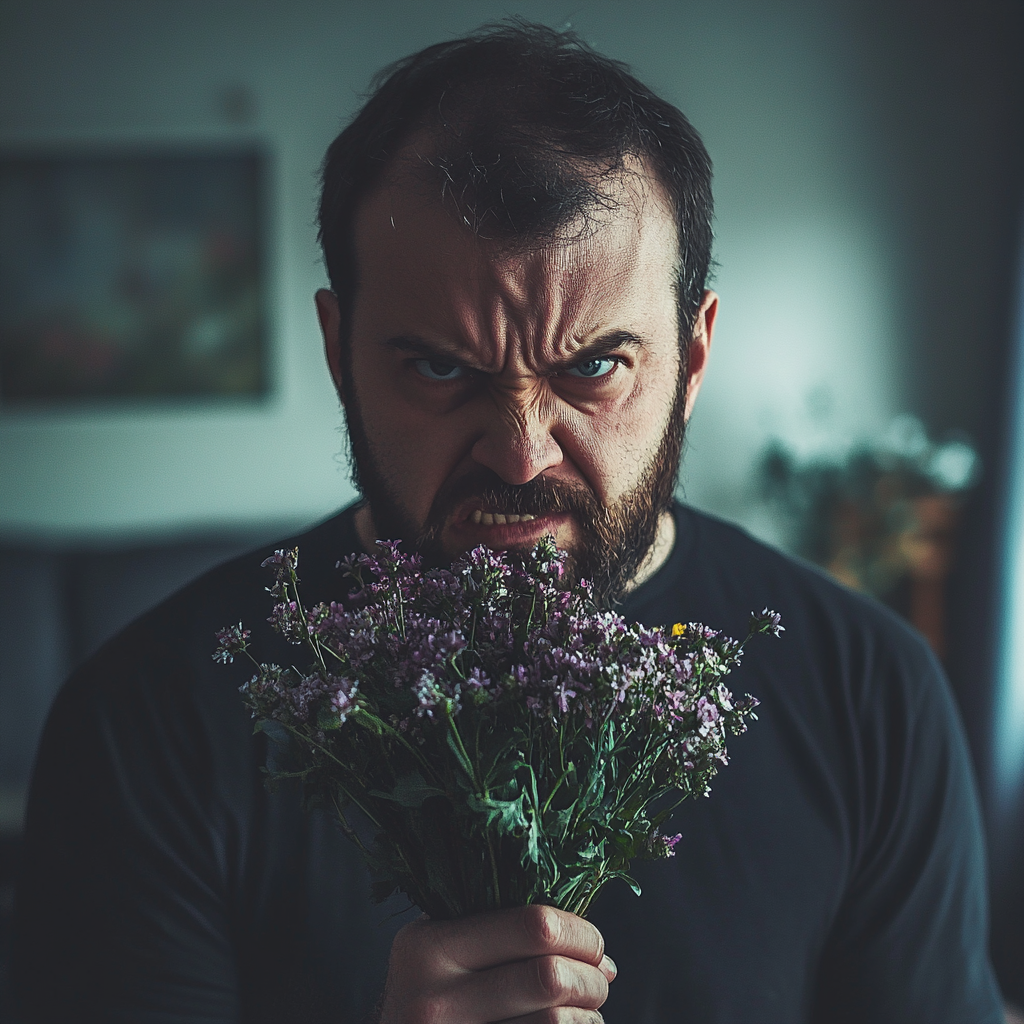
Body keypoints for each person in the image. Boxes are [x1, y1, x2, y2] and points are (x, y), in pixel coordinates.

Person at [12, 21, 1003, 1024]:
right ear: (340, 350)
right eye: (441, 367)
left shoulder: (874, 695)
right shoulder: (142, 722)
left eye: (593, 367)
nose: (521, 451)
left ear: (692, 359)